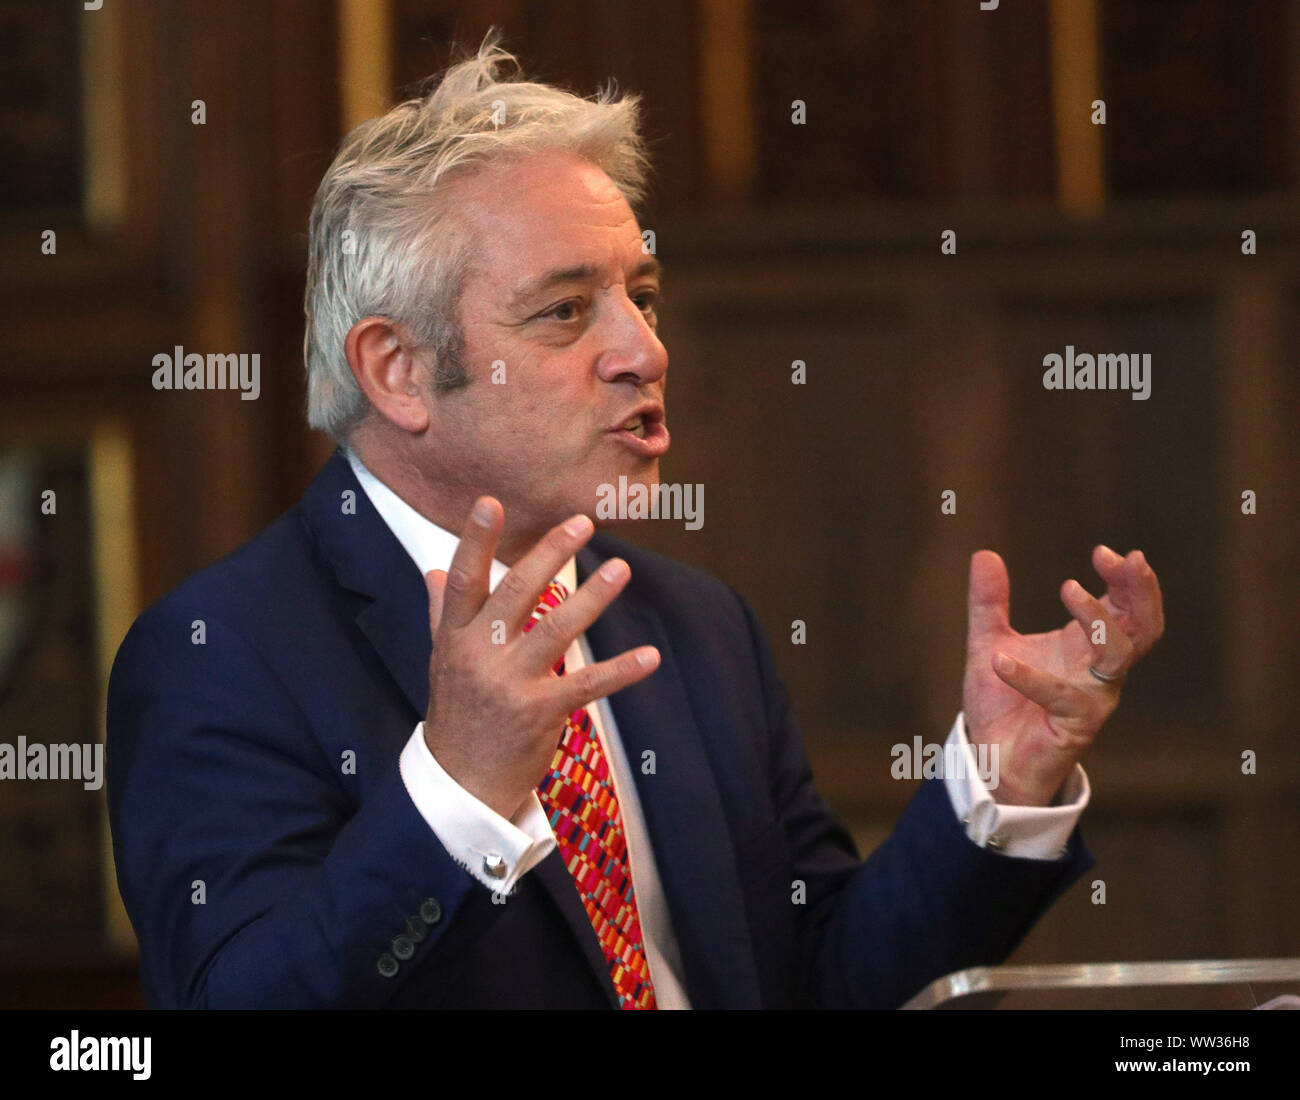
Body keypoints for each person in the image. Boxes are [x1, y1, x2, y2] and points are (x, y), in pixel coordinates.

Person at [106, 33, 1164, 1010]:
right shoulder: (221, 653)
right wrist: (459, 787)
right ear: (399, 370)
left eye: (642, 293)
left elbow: (822, 979)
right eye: (567, 309)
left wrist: (998, 779)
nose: (644, 349)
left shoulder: (698, 625)